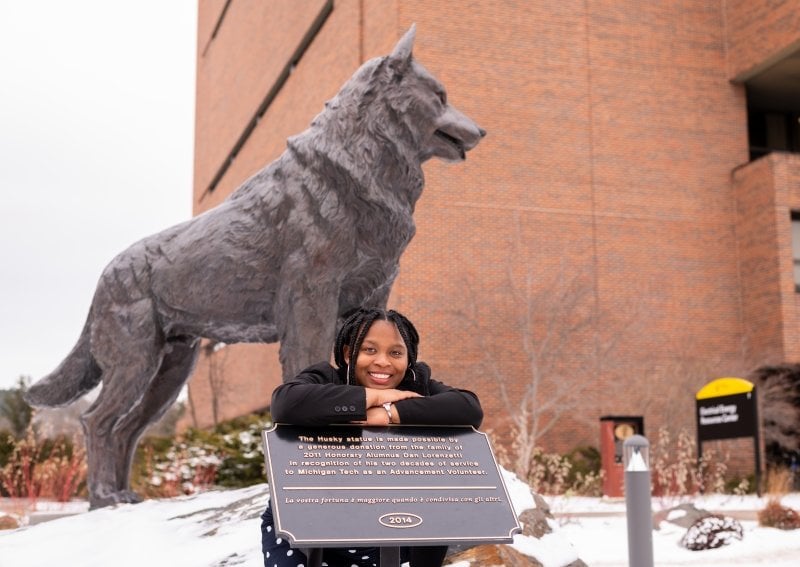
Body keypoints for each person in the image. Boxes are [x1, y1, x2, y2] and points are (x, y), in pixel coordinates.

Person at [261, 307, 483, 567]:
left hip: (395, 530)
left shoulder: (418, 384)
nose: (383, 362)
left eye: (396, 353)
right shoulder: (326, 377)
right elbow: (285, 404)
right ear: (347, 354)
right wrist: (374, 398)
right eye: (370, 350)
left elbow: (469, 408)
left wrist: (389, 413)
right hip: (307, 531)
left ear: (408, 358)